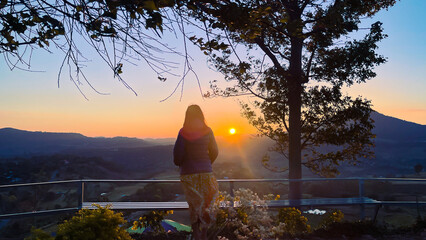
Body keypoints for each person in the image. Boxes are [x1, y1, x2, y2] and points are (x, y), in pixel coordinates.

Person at [173, 104, 219, 240]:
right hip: (206, 172)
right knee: (206, 203)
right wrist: (206, 163)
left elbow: (177, 156)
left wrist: (183, 163)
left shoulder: (183, 131)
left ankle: (196, 234)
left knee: (194, 204)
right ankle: (204, 233)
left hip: (188, 174)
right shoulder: (208, 130)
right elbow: (215, 151)